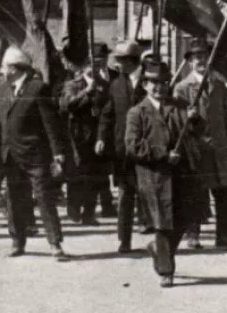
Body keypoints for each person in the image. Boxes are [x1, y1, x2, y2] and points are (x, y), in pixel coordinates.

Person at [125, 60, 204, 288]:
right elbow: (132, 146)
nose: (159, 87)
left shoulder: (180, 105)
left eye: (163, 83)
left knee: (185, 217)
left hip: (181, 174)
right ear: (145, 84)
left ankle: (158, 250)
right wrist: (161, 154)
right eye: (154, 83)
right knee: (162, 222)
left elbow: (197, 132)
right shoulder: (137, 112)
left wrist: (195, 119)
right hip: (154, 177)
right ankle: (166, 270)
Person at [0, 46, 68, 259]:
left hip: (35, 154)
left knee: (44, 198)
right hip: (10, 155)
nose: (2, 71)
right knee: (14, 199)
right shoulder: (3, 88)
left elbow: (51, 123)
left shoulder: (38, 88)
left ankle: (55, 243)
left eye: (5, 67)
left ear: (14, 68)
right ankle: (17, 241)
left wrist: (57, 152)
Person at [173, 38, 227, 250]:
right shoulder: (182, 88)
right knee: (196, 194)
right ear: (190, 62)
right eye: (196, 57)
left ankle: (223, 235)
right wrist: (186, 116)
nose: (201, 60)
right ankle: (192, 235)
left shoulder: (219, 86)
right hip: (196, 148)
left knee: (224, 194)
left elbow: (225, 116)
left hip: (218, 147)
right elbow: (174, 119)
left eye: (204, 56)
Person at [97, 40, 145, 253]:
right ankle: (124, 240)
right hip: (123, 150)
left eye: (122, 61)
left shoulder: (151, 80)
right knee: (125, 196)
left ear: (132, 61)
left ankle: (157, 233)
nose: (118, 65)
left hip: (148, 148)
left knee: (151, 193)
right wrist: (101, 137)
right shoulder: (116, 84)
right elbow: (108, 114)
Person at [60, 43, 112, 225]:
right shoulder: (73, 84)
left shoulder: (105, 84)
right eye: (93, 64)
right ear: (85, 65)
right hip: (77, 136)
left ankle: (89, 213)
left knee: (95, 176)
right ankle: (74, 208)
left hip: (96, 136)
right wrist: (86, 92)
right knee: (77, 175)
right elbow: (66, 106)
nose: (96, 68)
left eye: (100, 63)